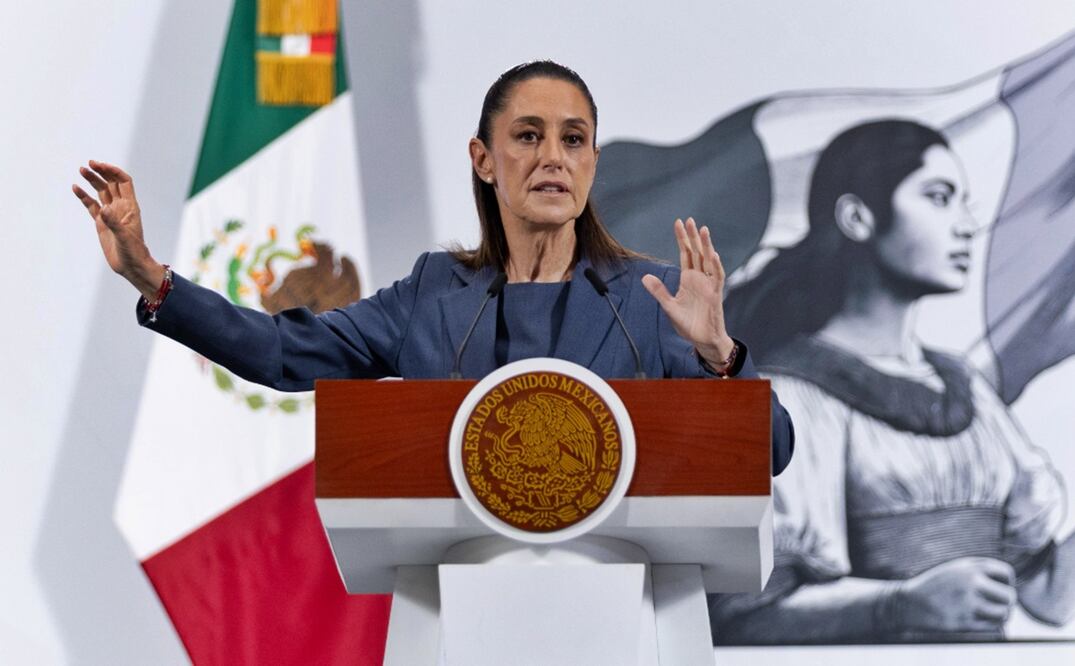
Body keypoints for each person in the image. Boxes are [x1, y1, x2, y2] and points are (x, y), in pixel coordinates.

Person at [71, 60, 794, 475]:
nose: (553, 157)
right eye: (528, 136)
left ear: (593, 162)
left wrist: (720, 356)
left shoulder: (650, 299)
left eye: (574, 140)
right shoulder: (434, 293)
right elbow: (282, 354)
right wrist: (151, 278)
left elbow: (772, 452)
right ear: (483, 159)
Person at [711, 120, 1074, 643]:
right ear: (857, 217)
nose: (967, 225)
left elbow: (1048, 597)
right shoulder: (792, 396)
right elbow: (749, 612)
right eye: (939, 198)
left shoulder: (966, 387)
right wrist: (901, 604)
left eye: (964, 202)